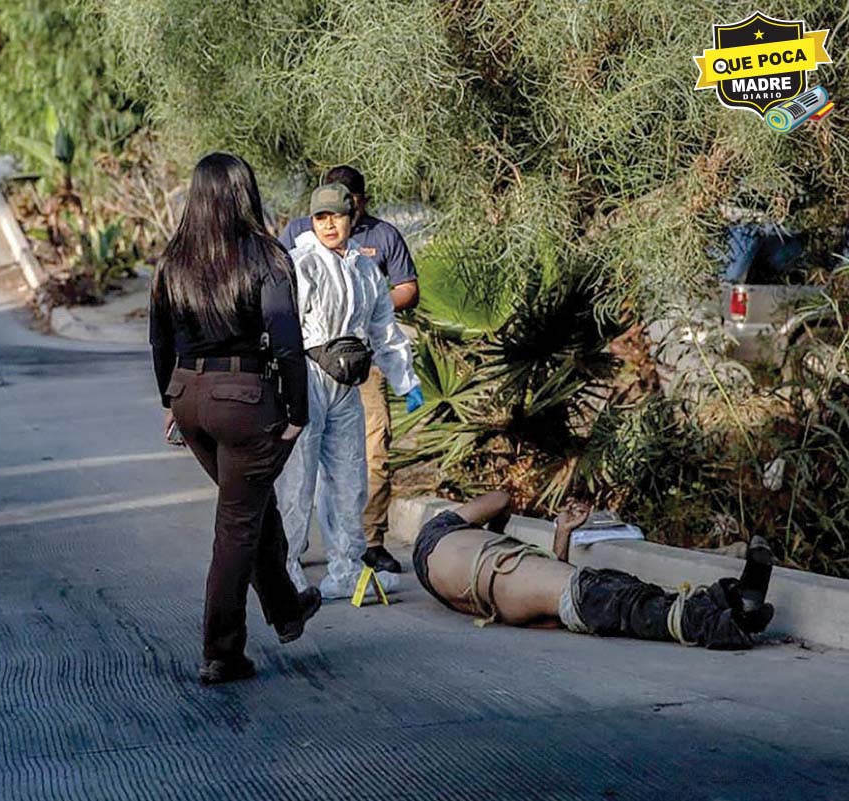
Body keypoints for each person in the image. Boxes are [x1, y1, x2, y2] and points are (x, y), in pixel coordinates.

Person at [149, 153, 322, 685]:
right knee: (237, 525)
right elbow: (288, 343)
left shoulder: (173, 260)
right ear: (245, 193)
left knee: (248, 501)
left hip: (188, 395)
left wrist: (169, 402)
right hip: (244, 398)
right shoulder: (264, 256)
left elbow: (160, 340)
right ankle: (222, 652)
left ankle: (286, 609)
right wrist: (297, 411)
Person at [276, 183, 424, 599]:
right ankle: (287, 573)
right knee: (298, 480)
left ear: (350, 219)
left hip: (347, 382)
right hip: (308, 379)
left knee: (349, 476)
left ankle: (347, 568)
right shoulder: (301, 265)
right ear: (312, 221)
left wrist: (405, 380)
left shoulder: (363, 270)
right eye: (320, 218)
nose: (328, 225)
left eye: (336, 217)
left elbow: (383, 329)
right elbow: (282, 328)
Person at [412, 491, 776, 649]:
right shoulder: (440, 530)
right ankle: (730, 619)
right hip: (526, 584)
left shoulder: (444, 578)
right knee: (627, 601)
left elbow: (551, 577)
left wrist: (563, 532)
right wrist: (498, 528)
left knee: (615, 599)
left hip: (511, 599)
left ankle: (735, 605)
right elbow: (500, 499)